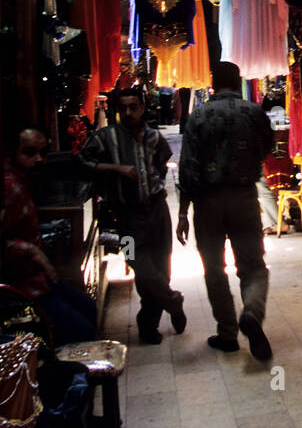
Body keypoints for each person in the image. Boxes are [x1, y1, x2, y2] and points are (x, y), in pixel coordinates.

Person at [177, 61, 275, 359]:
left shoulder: (199, 115)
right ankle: (252, 315)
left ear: (212, 83)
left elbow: (188, 167)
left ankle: (228, 333)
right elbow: (267, 148)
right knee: (253, 267)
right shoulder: (254, 112)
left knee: (214, 268)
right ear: (238, 81)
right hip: (244, 197)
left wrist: (182, 212)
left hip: (208, 202)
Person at [79, 90, 186, 345]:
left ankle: (149, 325)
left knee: (162, 267)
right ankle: (172, 301)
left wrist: (153, 183)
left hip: (157, 213)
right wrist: (116, 169)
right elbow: (82, 162)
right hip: (126, 217)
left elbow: (162, 162)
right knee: (138, 264)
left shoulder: (153, 137)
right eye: (123, 108)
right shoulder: (106, 137)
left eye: (133, 107)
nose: (128, 113)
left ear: (142, 108)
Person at [2, 127, 97, 345]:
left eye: (43, 153)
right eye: (29, 153)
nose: (38, 160)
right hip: (21, 289)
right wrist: (32, 251)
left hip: (39, 279)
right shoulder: (10, 188)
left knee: (87, 306)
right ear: (11, 154)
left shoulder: (24, 183)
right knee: (80, 330)